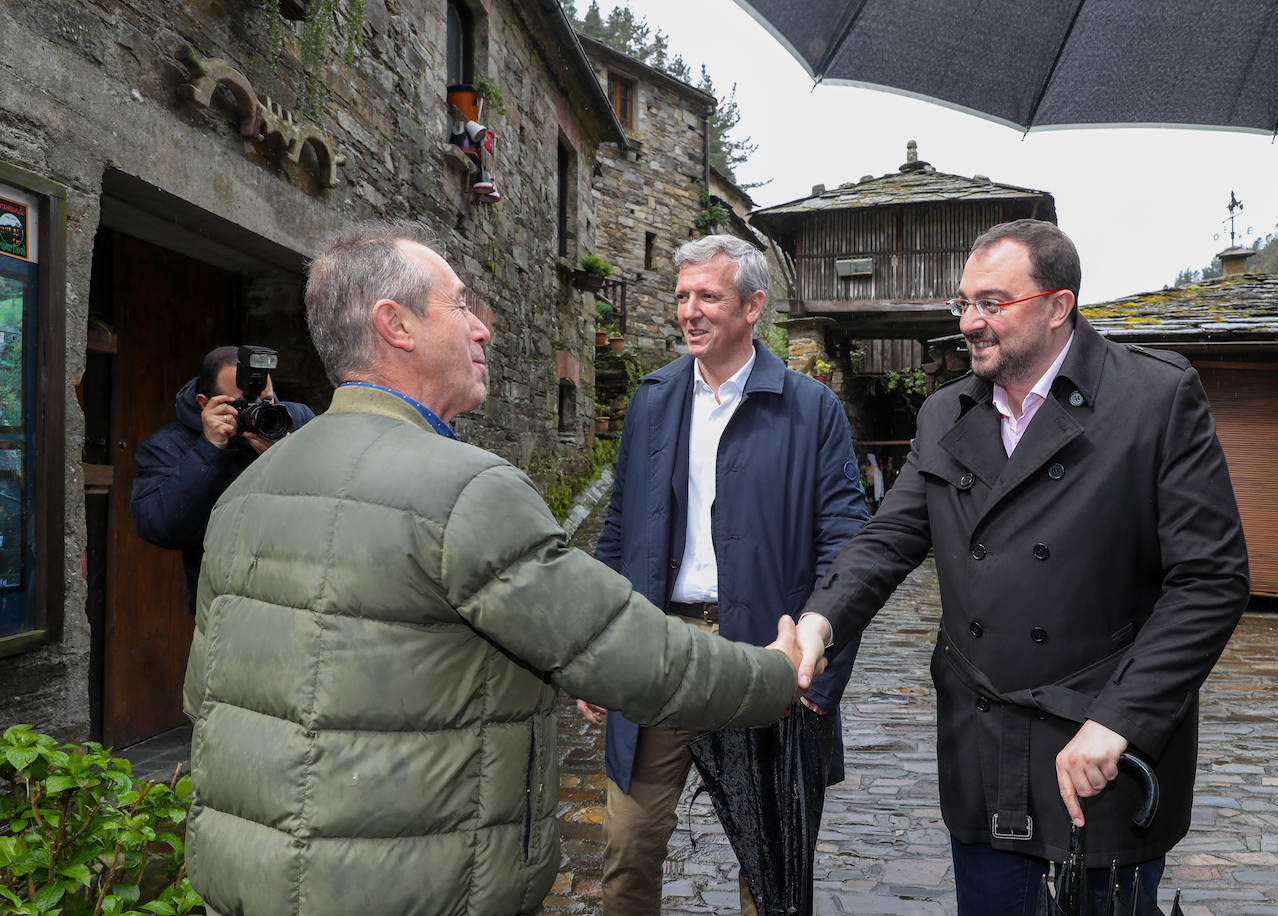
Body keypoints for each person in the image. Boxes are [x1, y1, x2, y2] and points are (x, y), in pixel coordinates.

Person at [180, 221, 804, 916]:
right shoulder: (468, 491)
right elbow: (634, 654)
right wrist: (776, 672)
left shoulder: (242, 494)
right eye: (461, 305)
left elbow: (205, 701)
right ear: (396, 325)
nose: (482, 330)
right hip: (417, 885)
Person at [794, 219, 1249, 914]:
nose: (970, 322)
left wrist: (1119, 719)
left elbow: (1210, 581)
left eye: (991, 304)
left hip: (1098, 749)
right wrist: (818, 623)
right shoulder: (947, 412)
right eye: (963, 304)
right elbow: (888, 538)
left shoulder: (1154, 399)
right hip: (983, 742)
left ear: (1057, 305)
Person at [576, 234, 869, 915]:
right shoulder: (651, 399)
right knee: (627, 850)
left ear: (753, 307)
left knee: (768, 869)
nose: (690, 311)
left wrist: (817, 666)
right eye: (681, 296)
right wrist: (591, 646)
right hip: (660, 650)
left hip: (764, 654)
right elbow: (618, 529)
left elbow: (846, 546)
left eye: (708, 296)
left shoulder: (811, 408)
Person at [131, 345, 314, 607]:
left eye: (267, 401)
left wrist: (287, 457)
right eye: (240, 404)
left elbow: (338, 501)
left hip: (296, 596)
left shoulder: (294, 422)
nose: (257, 412)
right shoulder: (169, 446)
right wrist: (210, 449)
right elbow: (161, 528)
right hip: (221, 603)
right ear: (205, 403)